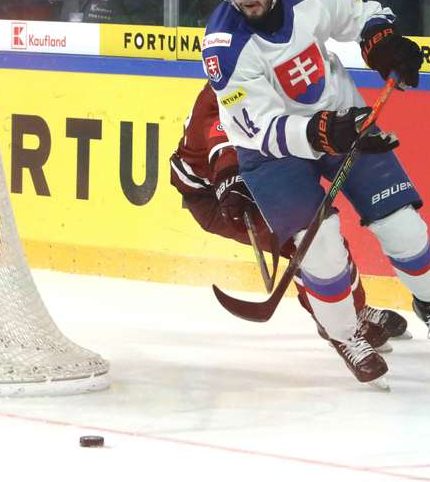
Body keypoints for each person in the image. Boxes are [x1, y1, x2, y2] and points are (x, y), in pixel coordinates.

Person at [199, 0, 430, 387]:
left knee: (403, 225)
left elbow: (362, 11)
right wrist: (319, 132)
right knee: (322, 248)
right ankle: (346, 335)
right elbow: (258, 128)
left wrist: (381, 40)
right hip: (272, 152)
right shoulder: (223, 46)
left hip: (341, 119)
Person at [169, 83, 409, 354]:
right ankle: (334, 322)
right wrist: (229, 177)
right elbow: (220, 137)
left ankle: (355, 310)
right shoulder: (229, 91)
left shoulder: (266, 77)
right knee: (307, 243)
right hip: (214, 197)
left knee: (323, 235)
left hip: (254, 176)